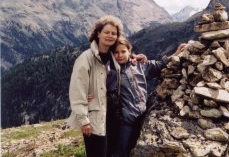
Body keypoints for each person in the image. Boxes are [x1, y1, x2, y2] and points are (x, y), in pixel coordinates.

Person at [110, 36, 186, 157]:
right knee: (121, 151)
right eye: (116, 52)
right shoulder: (113, 73)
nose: (120, 55)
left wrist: (175, 54)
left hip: (142, 116)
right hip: (125, 122)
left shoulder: (140, 66)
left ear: (130, 51)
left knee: (137, 148)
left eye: (123, 51)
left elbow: (159, 65)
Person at [67, 15, 123, 157]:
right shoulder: (86, 58)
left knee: (110, 152)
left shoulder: (113, 56)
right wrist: (83, 120)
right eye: (106, 32)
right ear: (98, 33)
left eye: (114, 33)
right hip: (95, 116)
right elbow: (77, 90)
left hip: (112, 113)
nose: (110, 36)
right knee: (97, 153)